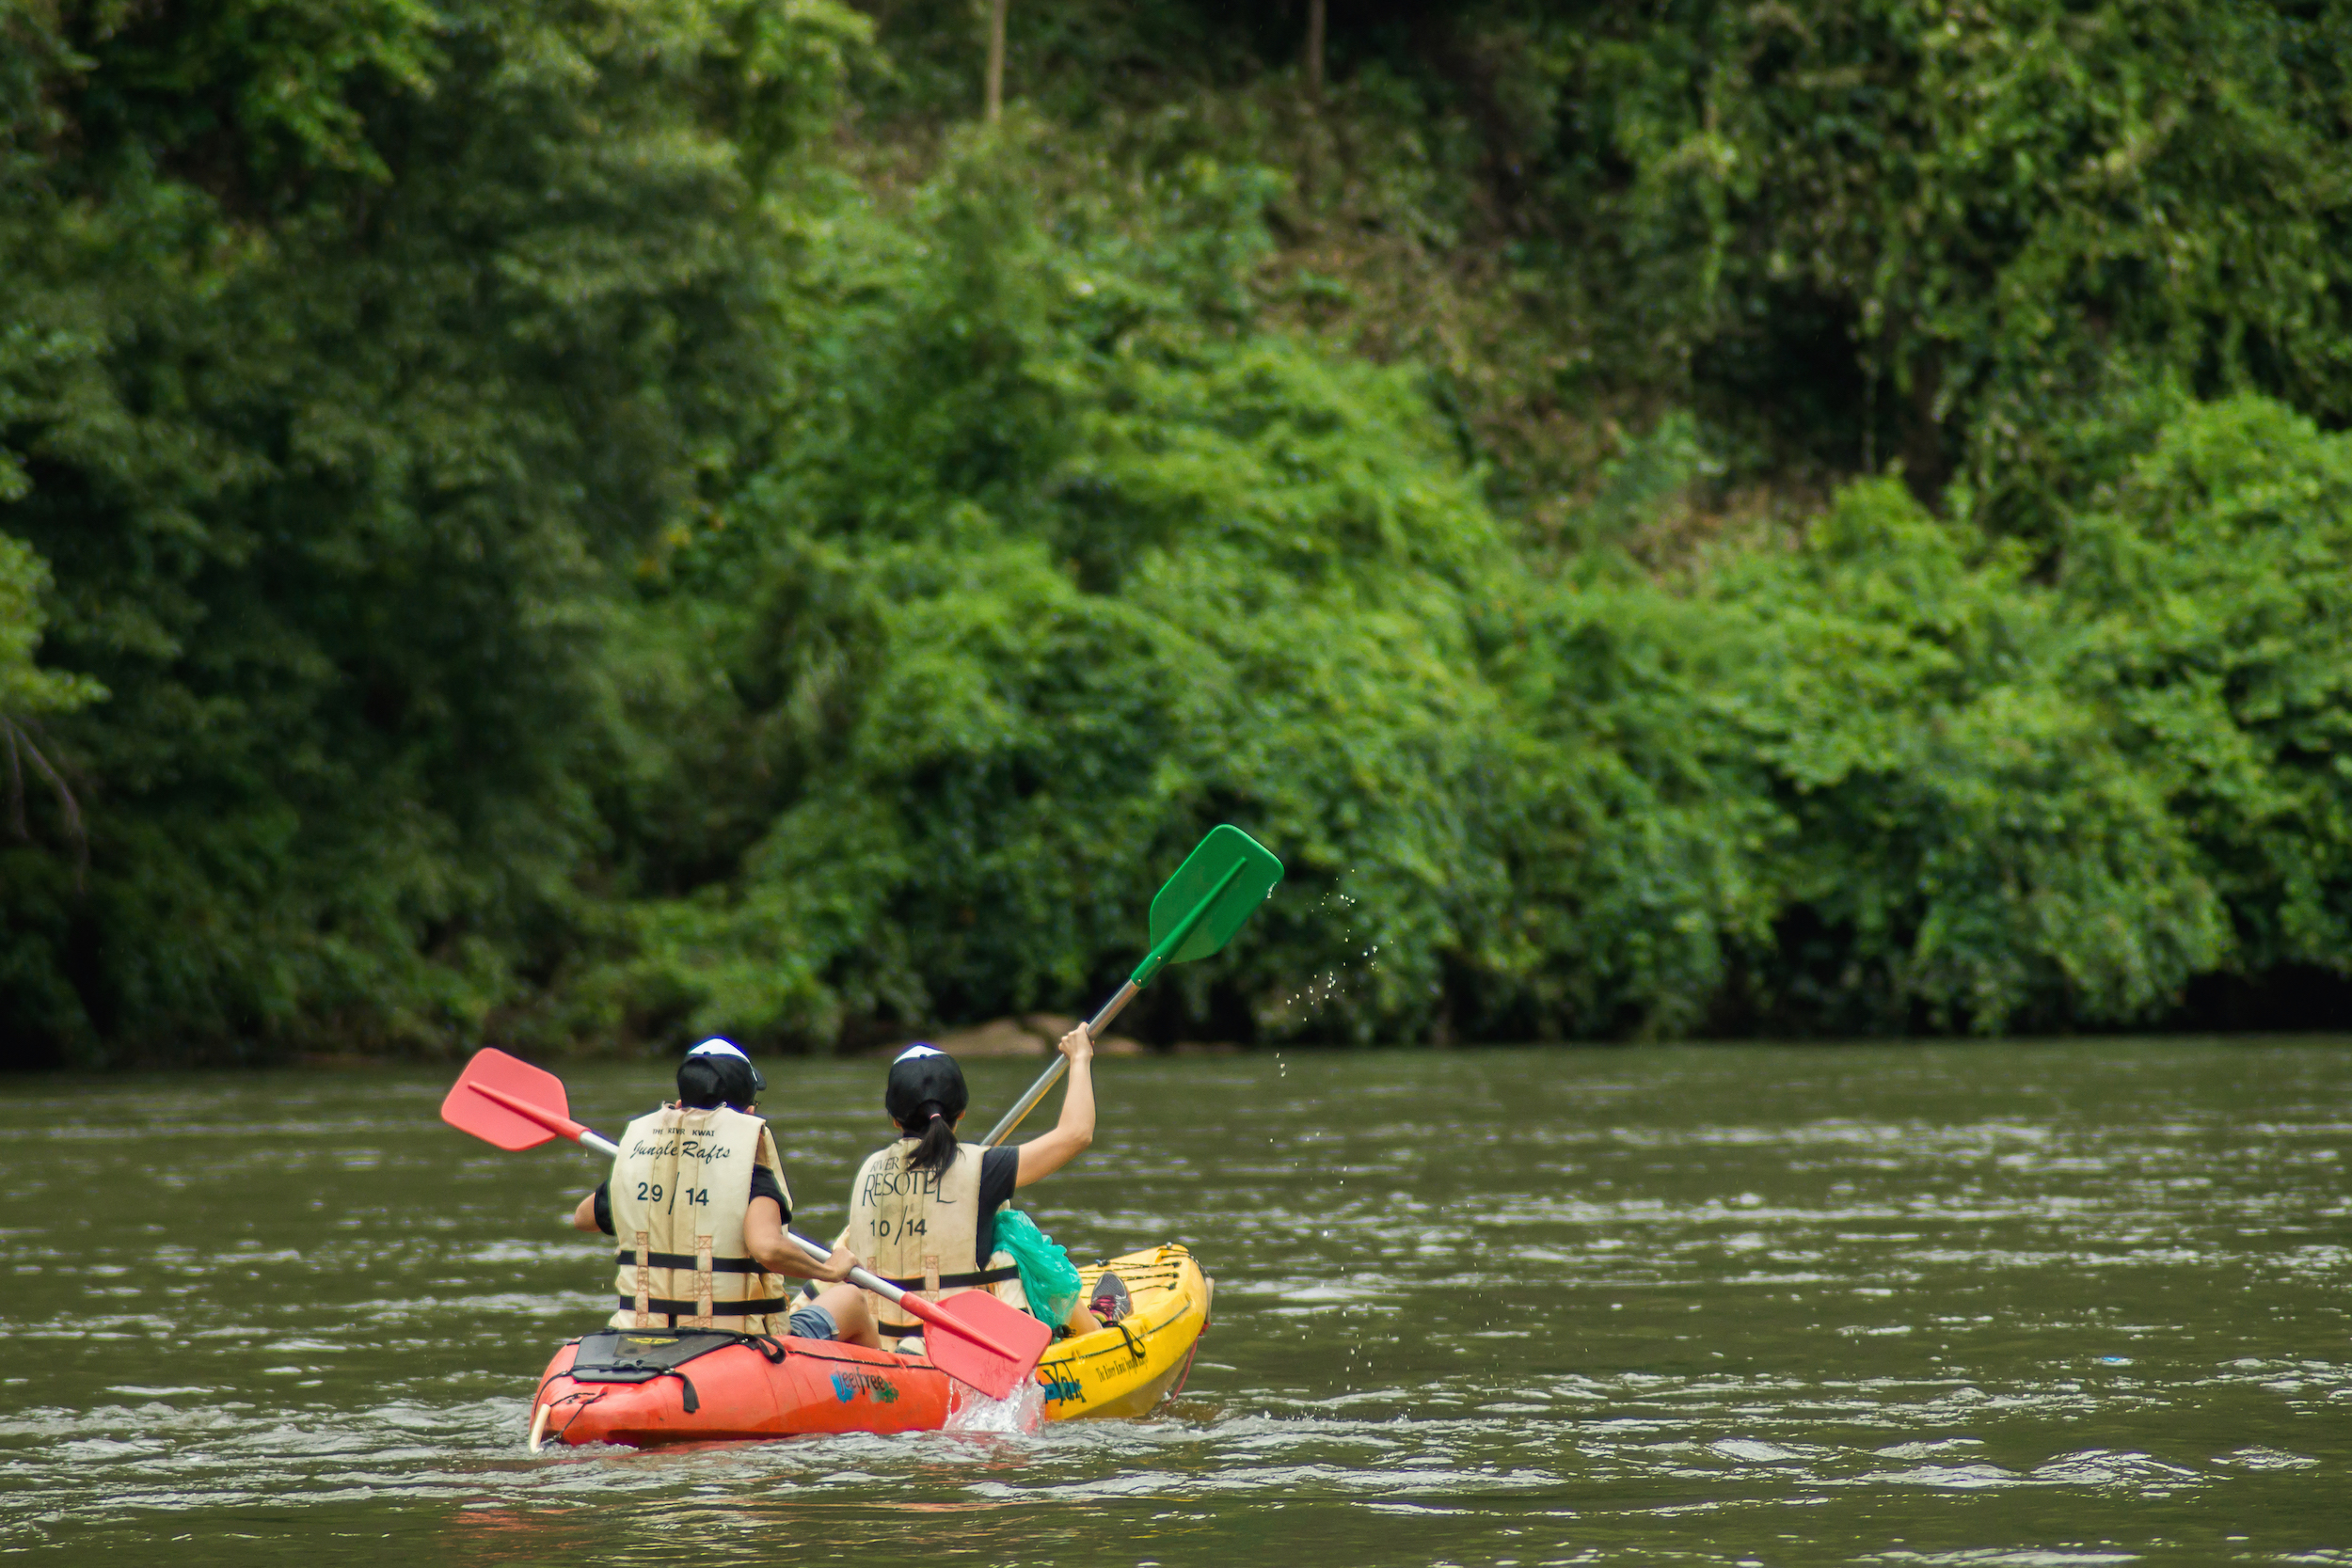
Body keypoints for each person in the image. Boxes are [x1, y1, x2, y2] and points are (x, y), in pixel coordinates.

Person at [799, 1025, 1104, 1353]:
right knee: (1013, 1238)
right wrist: (1080, 1057)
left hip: (877, 1349)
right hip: (957, 1356)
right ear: (960, 1113)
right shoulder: (986, 1168)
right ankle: (1098, 1327)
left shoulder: (868, 1170)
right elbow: (1077, 1134)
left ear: (894, 1120)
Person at [571, 1038, 858, 1336]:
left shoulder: (642, 1168)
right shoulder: (750, 1175)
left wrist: (629, 1176)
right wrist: (830, 1270)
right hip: (733, 1342)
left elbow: (583, 1218)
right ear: (748, 1114)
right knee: (852, 1299)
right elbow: (767, 1248)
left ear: (680, 1107)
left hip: (642, 1335)